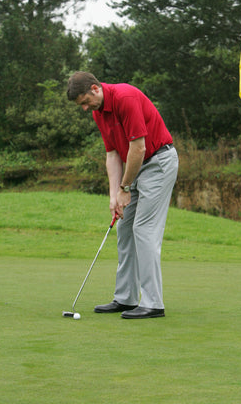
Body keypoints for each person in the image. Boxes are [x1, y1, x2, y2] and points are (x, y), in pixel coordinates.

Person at [67, 71, 178, 319]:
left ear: (96, 88)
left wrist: (125, 189)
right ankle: (125, 298)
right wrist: (114, 195)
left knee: (144, 229)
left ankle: (153, 303)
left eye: (85, 101)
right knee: (125, 228)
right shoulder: (99, 112)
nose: (85, 108)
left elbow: (139, 148)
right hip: (135, 166)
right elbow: (113, 154)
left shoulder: (125, 97)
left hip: (157, 162)